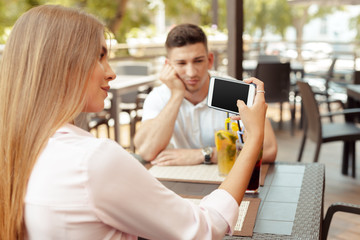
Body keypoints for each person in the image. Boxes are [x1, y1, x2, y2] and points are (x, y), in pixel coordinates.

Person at [0, 5, 268, 240]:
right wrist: (254, 137)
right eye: (100, 56)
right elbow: (206, 228)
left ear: (209, 60)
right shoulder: (92, 160)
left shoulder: (20, 147)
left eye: (198, 61)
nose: (111, 72)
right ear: (63, 66)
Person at [134, 23, 277, 166]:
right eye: (181, 63)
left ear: (210, 60)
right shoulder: (159, 96)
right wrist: (177, 94)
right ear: (168, 65)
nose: (191, 72)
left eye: (198, 61)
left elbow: (269, 149)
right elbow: (146, 151)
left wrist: (204, 154)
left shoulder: (234, 91)